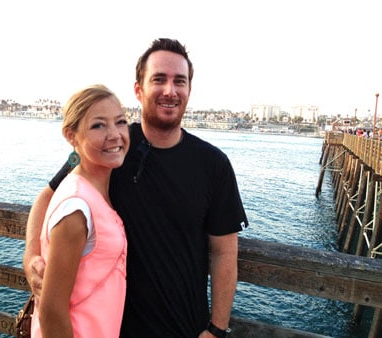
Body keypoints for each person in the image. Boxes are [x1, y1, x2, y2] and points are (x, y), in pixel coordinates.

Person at [24, 38, 248, 338]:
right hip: (114, 328)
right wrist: (30, 257)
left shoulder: (214, 165)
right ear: (139, 90)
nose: (170, 90)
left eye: (179, 81)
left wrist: (216, 328)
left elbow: (224, 253)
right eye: (159, 79)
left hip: (185, 328)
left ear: (189, 91)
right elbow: (49, 196)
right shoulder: (111, 147)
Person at [29, 84, 130, 338]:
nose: (115, 134)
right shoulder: (77, 207)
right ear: (71, 136)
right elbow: (52, 312)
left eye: (120, 122)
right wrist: (29, 256)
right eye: (98, 125)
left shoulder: (89, 189)